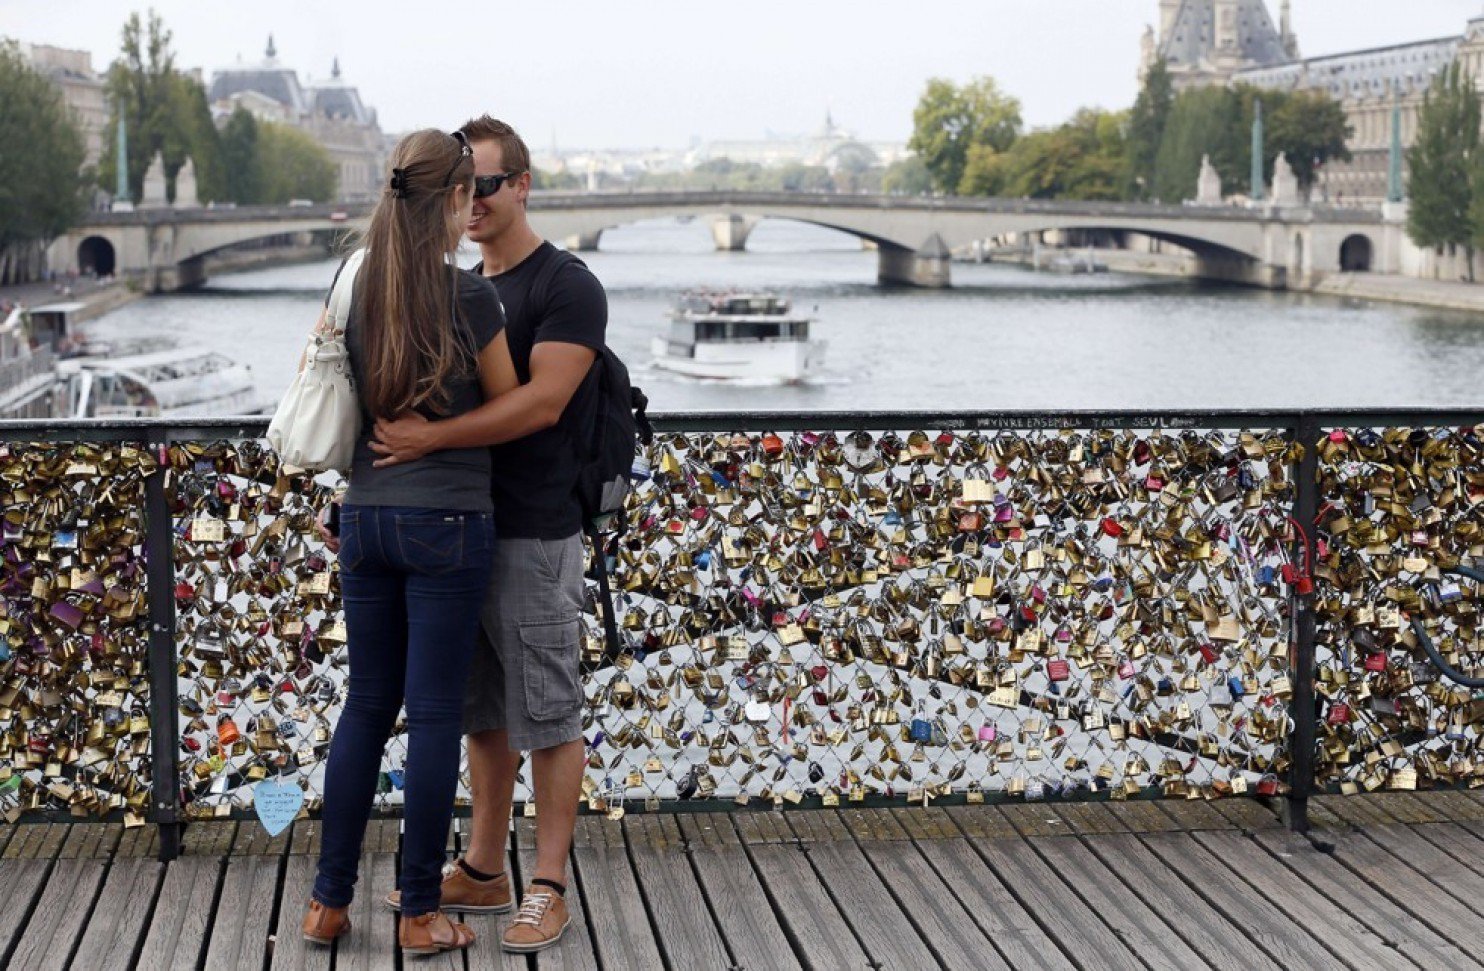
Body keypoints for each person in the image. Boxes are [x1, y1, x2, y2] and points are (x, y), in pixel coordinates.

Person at [370, 115, 606, 954]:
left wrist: (427, 440)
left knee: (548, 709)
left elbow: (541, 405)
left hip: (536, 531)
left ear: (523, 185)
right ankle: (481, 865)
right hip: (458, 531)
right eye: (466, 187)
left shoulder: (566, 286)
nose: (473, 202)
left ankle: (547, 884)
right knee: (480, 710)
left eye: (490, 185)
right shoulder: (461, 286)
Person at [300, 128, 519, 957]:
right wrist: (445, 432)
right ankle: (420, 910)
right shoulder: (469, 297)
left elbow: (323, 375)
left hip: (364, 516)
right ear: (457, 201)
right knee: (432, 715)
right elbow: (508, 404)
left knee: (364, 705)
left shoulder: (355, 281)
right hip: (448, 522)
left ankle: (326, 904)